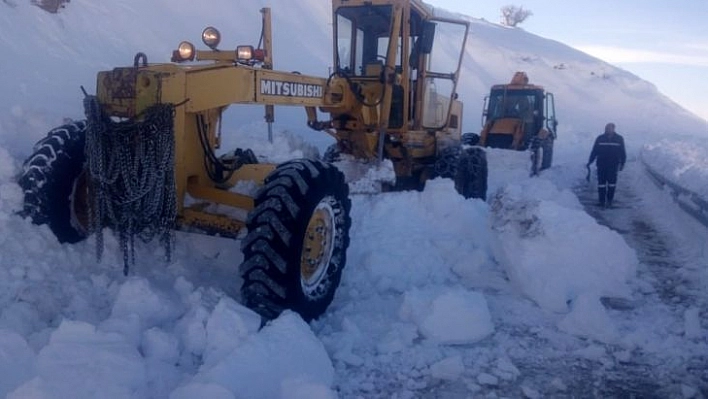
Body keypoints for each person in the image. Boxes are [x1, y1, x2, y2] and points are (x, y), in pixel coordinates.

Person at [587, 123, 626, 208]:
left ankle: (609, 200)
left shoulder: (619, 139)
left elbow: (622, 152)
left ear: (614, 129)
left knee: (612, 184)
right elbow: (594, 151)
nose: (608, 130)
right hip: (601, 165)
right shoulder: (600, 138)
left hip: (613, 165)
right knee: (601, 184)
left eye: (610, 128)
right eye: (607, 128)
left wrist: (622, 163)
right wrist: (590, 161)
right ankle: (601, 201)